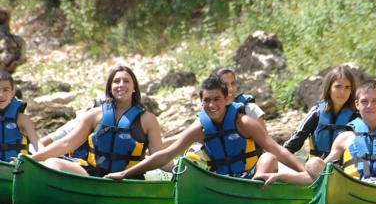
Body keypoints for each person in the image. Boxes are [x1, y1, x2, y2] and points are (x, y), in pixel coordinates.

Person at [105, 75, 306, 180]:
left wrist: (305, 173)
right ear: (201, 102)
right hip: (220, 180)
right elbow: (165, 155)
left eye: (217, 99)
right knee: (186, 164)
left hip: (250, 178)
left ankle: (255, 189)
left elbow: (277, 150)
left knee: (269, 157)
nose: (212, 105)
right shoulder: (200, 128)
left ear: (227, 99)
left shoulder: (243, 123)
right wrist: (124, 174)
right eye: (207, 100)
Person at [32, 65, 164, 177]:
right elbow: (67, 144)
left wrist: (178, 168)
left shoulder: (148, 120)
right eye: (116, 81)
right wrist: (32, 159)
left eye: (126, 81)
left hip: (127, 179)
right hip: (92, 175)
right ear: (110, 88)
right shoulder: (94, 115)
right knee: (53, 163)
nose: (121, 85)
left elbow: (160, 157)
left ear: (134, 87)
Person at [284, 65, 359, 159]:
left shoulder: (357, 116)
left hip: (344, 169)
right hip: (316, 167)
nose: (342, 92)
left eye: (347, 87)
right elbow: (292, 145)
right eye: (338, 87)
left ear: (351, 91)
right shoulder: (317, 113)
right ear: (328, 89)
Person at [0, 71, 42, 160]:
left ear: (13, 93)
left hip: (17, 169)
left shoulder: (22, 119)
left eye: (6, 90)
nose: (1, 95)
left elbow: (39, 146)